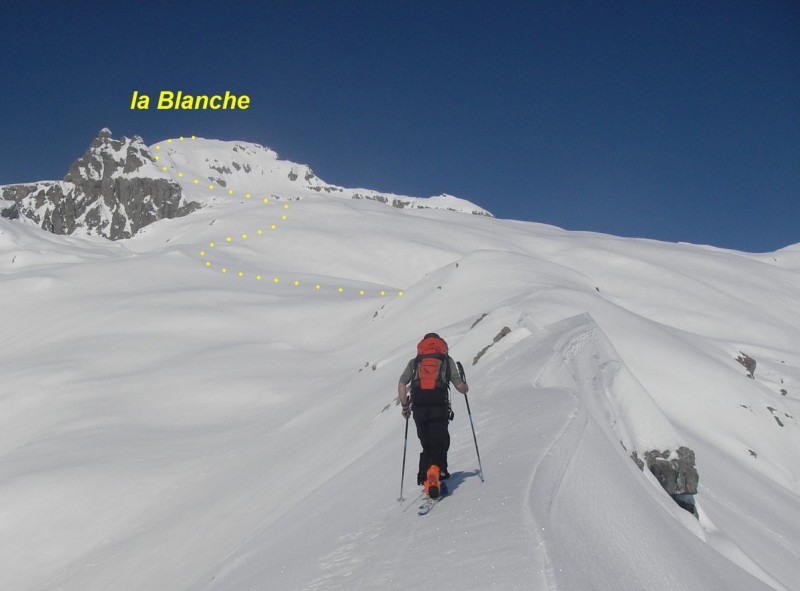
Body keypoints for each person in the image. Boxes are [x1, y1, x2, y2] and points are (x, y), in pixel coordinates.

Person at [397, 333, 469, 496]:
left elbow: (402, 385)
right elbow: (460, 387)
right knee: (441, 442)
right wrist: (465, 386)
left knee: (427, 443)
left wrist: (405, 406)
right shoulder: (445, 360)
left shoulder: (416, 362)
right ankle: (436, 472)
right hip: (439, 406)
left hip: (419, 408)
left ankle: (426, 479)